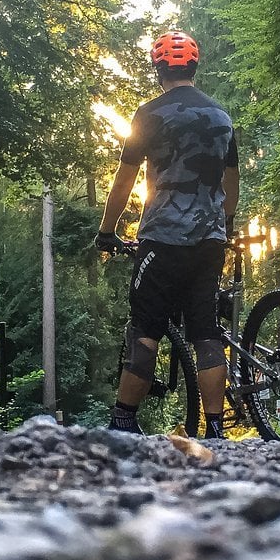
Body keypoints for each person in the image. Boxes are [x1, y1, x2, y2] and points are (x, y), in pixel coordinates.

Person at [95, 30, 239, 440]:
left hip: (163, 237)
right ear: (195, 67)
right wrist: (223, 227)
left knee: (145, 327)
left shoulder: (149, 115)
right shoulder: (221, 116)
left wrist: (107, 231)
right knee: (206, 331)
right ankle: (214, 429)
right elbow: (232, 181)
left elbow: (125, 179)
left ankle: (123, 421)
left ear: (158, 68)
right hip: (209, 239)